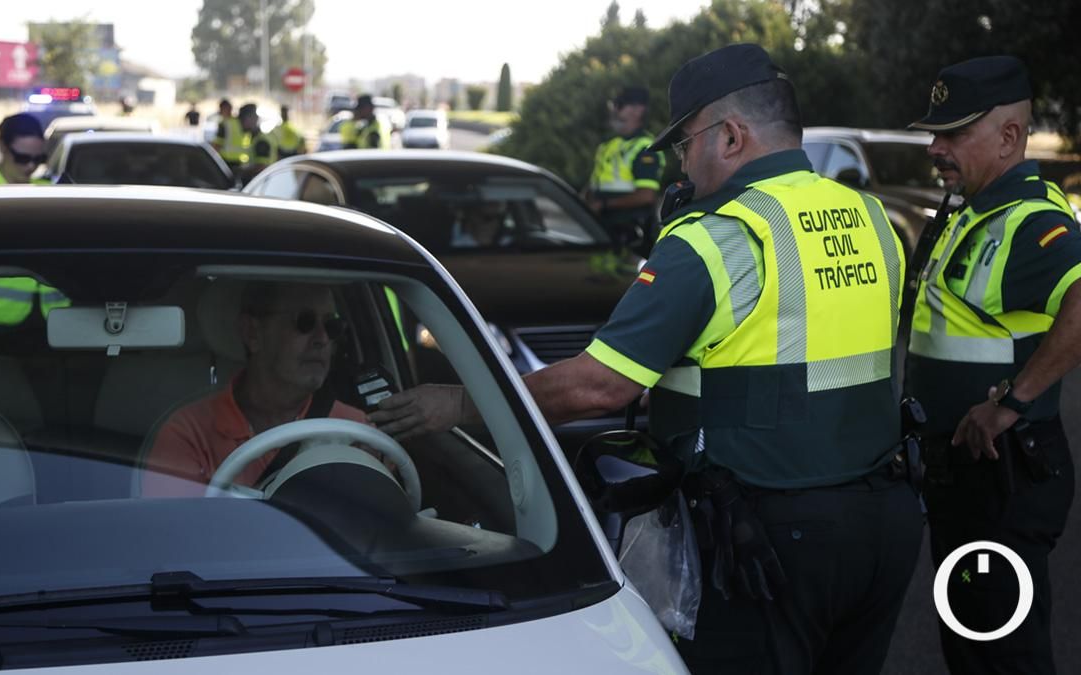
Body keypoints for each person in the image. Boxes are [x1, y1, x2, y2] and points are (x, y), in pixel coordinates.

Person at [369, 43, 920, 674]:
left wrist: (463, 404)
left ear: (731, 136)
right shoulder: (871, 218)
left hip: (771, 541)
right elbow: (801, 349)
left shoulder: (719, 236)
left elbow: (601, 388)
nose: (683, 165)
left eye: (685, 144)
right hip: (883, 523)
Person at [904, 56, 1079, 675]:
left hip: (1003, 479)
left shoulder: (1030, 221)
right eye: (935, 133)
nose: (935, 148)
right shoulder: (972, 211)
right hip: (966, 480)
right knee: (972, 642)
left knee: (1005, 655)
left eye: (954, 134)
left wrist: (1013, 402)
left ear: (1009, 136)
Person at [142, 282, 369, 498]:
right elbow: (173, 532)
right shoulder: (189, 435)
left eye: (332, 326)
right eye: (305, 322)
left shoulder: (356, 431)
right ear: (252, 332)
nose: (322, 339)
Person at [0, 114, 67, 326]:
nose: (30, 167)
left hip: (53, 317)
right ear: (2, 148)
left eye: (38, 159)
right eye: (22, 158)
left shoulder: (50, 191)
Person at [582, 86, 665, 251]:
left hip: (632, 234)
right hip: (603, 230)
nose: (614, 111)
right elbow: (593, 185)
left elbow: (646, 195)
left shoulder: (646, 148)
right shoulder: (608, 146)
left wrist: (603, 205)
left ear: (637, 110)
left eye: (619, 106)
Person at [238, 103, 279, 182]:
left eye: (243, 120)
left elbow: (261, 167)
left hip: (262, 185)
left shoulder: (261, 141)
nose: (241, 124)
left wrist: (242, 171)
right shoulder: (256, 139)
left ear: (252, 119)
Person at [212, 98, 249, 169]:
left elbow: (218, 145)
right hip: (241, 159)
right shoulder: (239, 122)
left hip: (226, 160)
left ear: (222, 109)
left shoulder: (223, 124)